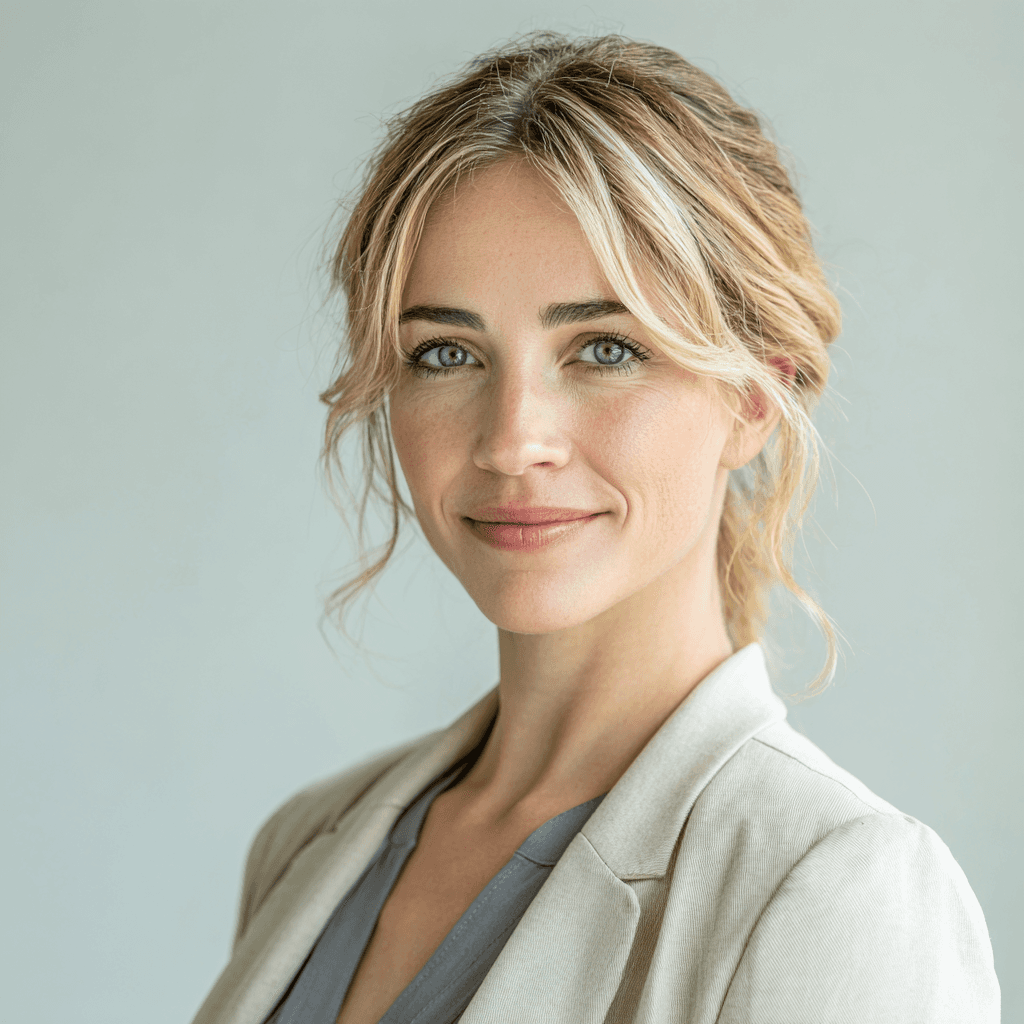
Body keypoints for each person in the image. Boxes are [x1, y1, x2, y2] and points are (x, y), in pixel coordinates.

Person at [191, 33, 999, 1024]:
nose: (511, 441)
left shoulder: (836, 887)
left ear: (754, 398)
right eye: (445, 353)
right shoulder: (307, 845)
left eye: (605, 349)